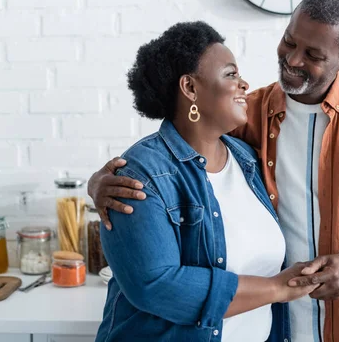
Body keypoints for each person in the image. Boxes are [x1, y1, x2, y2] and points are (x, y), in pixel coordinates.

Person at [88, 0, 339, 342]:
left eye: (313, 54)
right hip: (275, 319)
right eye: (289, 42)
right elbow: (179, 143)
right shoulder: (245, 115)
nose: (294, 60)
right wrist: (101, 182)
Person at [94, 21, 318, 342]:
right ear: (190, 88)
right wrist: (278, 287)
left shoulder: (246, 158)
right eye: (231, 74)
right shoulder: (140, 174)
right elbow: (157, 287)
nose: (244, 84)